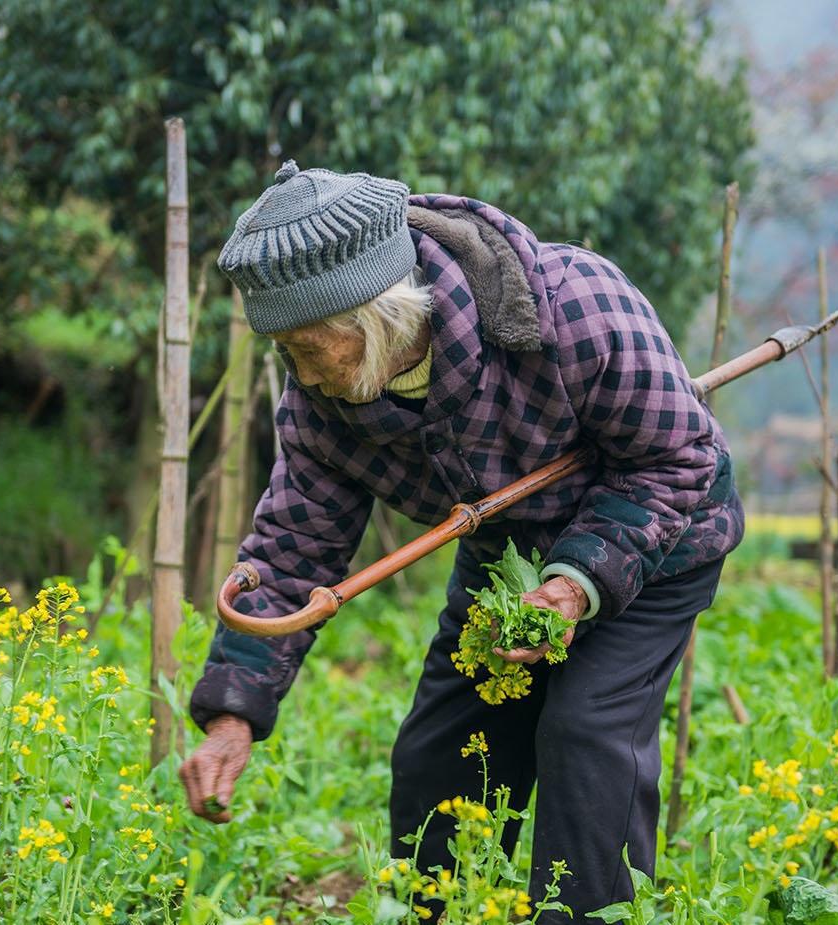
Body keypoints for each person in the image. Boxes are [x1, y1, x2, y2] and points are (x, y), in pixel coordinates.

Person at [179, 161, 744, 922]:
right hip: (507, 549)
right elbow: (292, 549)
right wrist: (232, 715)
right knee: (439, 751)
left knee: (585, 736)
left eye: (313, 348)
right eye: (287, 351)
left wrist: (576, 583)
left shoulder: (572, 308)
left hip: (657, 535)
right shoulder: (323, 401)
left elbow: (678, 457)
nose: (303, 374)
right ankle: (436, 912)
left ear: (378, 318)